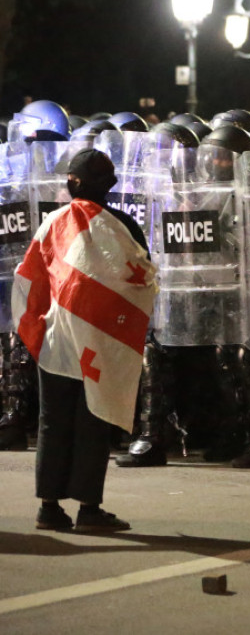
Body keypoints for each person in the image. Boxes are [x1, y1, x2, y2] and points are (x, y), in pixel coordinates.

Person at [14, 148, 157, 532]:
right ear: (110, 185)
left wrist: (36, 328)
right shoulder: (124, 226)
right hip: (103, 343)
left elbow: (29, 280)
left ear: (71, 182)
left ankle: (49, 507)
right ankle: (89, 509)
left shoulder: (52, 223)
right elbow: (144, 280)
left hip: (58, 341)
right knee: (94, 418)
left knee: (52, 421)